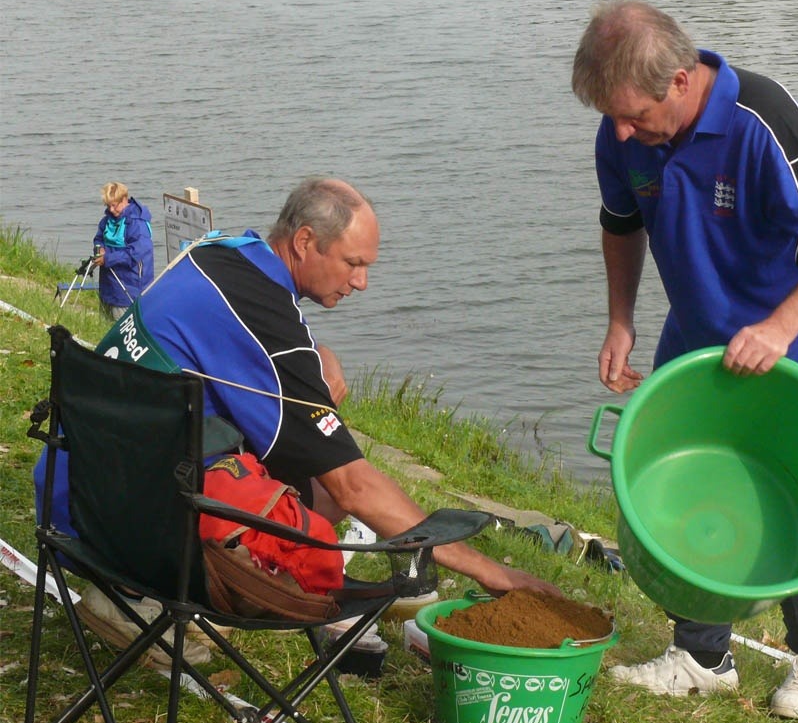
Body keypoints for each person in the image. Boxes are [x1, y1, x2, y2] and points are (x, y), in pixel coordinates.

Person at [46, 177, 559, 665]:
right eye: (353, 263)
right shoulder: (268, 320)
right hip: (134, 535)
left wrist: (318, 353)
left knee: (314, 476)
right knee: (332, 495)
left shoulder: (221, 250)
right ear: (306, 240)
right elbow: (356, 487)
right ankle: (142, 600)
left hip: (74, 494)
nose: (362, 282)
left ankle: (133, 593)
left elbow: (251, 333)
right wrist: (495, 574)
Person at [571, 0, 798, 718]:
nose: (620, 132)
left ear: (680, 81)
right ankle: (704, 655)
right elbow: (622, 223)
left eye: (632, 115)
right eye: (611, 117)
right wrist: (621, 319)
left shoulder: (762, 119)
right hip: (700, 335)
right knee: (691, 482)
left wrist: (776, 329)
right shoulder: (622, 131)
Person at [91, 182, 155, 320]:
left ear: (124, 199)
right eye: (108, 206)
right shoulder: (106, 221)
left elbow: (135, 254)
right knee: (105, 326)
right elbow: (98, 238)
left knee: (121, 328)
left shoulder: (137, 224)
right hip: (108, 286)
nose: (111, 210)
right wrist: (99, 247)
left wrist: (107, 259)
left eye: (115, 205)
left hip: (129, 288)